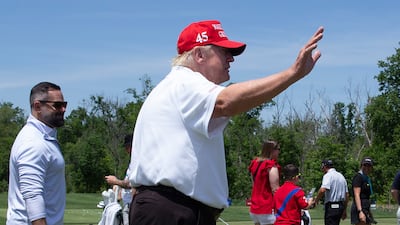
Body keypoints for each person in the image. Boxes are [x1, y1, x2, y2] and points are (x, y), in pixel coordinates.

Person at [128, 19, 324, 225]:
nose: (231, 59)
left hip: (171, 209)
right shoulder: (184, 82)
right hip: (170, 210)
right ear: (199, 55)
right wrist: (292, 73)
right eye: (223, 51)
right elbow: (227, 101)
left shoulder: (174, 87)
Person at [7, 82, 67, 225]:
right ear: (38, 106)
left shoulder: (43, 138)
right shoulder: (33, 142)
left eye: (64, 104)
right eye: (57, 105)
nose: (63, 109)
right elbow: (33, 196)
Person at [105, 133, 136, 225]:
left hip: (131, 204)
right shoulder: (133, 161)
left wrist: (115, 181)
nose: (127, 150)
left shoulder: (137, 162)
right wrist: (119, 190)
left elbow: (131, 184)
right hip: (128, 203)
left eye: (128, 147)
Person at [248, 140, 281, 225]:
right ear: (272, 150)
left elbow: (254, 183)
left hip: (255, 206)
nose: (279, 152)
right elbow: (275, 190)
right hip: (267, 207)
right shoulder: (271, 166)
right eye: (278, 149)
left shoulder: (255, 163)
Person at [313, 159, 349, 225]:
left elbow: (322, 190)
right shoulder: (341, 176)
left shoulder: (328, 175)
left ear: (324, 166)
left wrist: (316, 200)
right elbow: (347, 195)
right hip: (340, 206)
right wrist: (344, 210)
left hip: (331, 207)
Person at [350, 157, 376, 225]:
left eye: (369, 165)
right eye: (365, 165)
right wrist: (360, 211)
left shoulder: (366, 178)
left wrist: (369, 212)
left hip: (365, 207)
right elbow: (357, 195)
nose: (367, 167)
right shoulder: (358, 177)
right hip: (359, 208)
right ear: (361, 166)